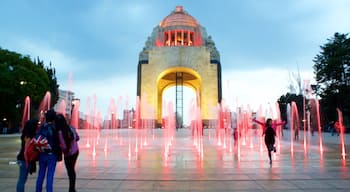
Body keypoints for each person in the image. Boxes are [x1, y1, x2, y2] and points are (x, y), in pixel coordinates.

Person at [35, 109, 61, 192]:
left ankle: (38, 190)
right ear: (54, 118)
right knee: (50, 176)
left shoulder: (42, 127)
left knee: (40, 175)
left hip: (41, 154)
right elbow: (58, 142)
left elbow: (36, 138)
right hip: (51, 155)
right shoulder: (55, 128)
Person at [56, 114, 80, 192]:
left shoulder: (59, 132)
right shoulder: (71, 127)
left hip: (68, 154)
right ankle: (72, 188)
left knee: (70, 171)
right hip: (75, 151)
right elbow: (77, 137)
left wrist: (61, 149)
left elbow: (63, 146)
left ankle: (71, 189)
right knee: (72, 170)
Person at [16, 118, 38, 192]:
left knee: (22, 180)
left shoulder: (26, 134)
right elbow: (26, 151)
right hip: (24, 159)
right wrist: (28, 162)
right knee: (22, 180)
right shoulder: (28, 137)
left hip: (22, 159)